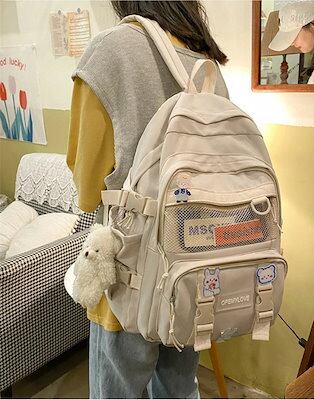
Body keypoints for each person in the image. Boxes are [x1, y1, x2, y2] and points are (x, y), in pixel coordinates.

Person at [66, 1, 229, 398]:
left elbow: (87, 190)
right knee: (179, 389)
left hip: (129, 277)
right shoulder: (207, 62)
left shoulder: (110, 52)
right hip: (191, 268)